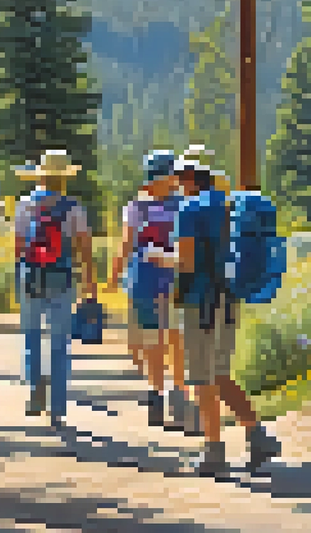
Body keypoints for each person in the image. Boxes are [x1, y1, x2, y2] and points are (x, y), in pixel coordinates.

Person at [169, 151, 280, 477]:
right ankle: (258, 436)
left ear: (190, 177)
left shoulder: (189, 209)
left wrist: (159, 259)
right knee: (219, 372)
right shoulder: (231, 205)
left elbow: (186, 263)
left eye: (179, 178)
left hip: (200, 301)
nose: (177, 184)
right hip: (229, 299)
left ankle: (214, 453)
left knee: (202, 378)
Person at [13, 150, 96, 430]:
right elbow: (85, 249)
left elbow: (17, 248)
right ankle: (58, 409)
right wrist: (90, 284)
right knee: (60, 344)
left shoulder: (25, 204)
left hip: (31, 276)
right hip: (62, 278)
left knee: (31, 336)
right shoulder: (74, 207)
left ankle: (35, 388)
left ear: (40, 175)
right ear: (64, 178)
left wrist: (21, 273)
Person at [108, 150, 182, 428]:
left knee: (154, 338)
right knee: (173, 336)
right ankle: (176, 393)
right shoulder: (183, 204)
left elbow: (127, 244)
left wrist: (114, 277)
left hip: (144, 278)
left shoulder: (137, 206)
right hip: (174, 277)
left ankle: (157, 394)